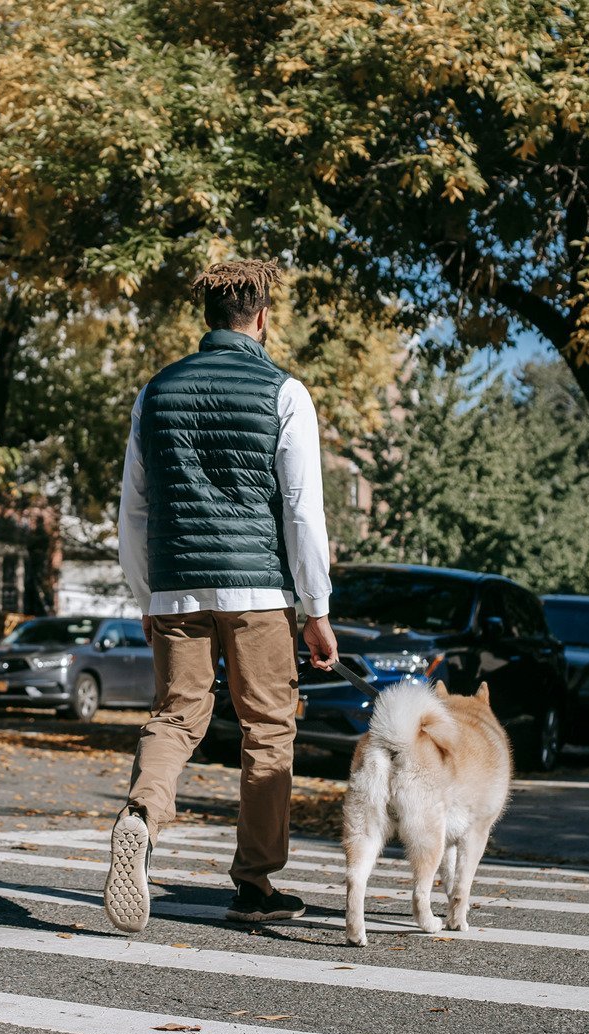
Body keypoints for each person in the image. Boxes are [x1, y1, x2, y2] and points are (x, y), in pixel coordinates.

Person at [105, 259, 336, 934]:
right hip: (259, 589)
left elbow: (135, 507)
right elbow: (301, 510)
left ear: (205, 316)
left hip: (177, 587)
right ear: (262, 316)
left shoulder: (157, 391)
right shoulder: (284, 391)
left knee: (176, 717)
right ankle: (254, 883)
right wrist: (316, 610)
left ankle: (142, 816)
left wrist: (146, 593)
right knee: (266, 728)